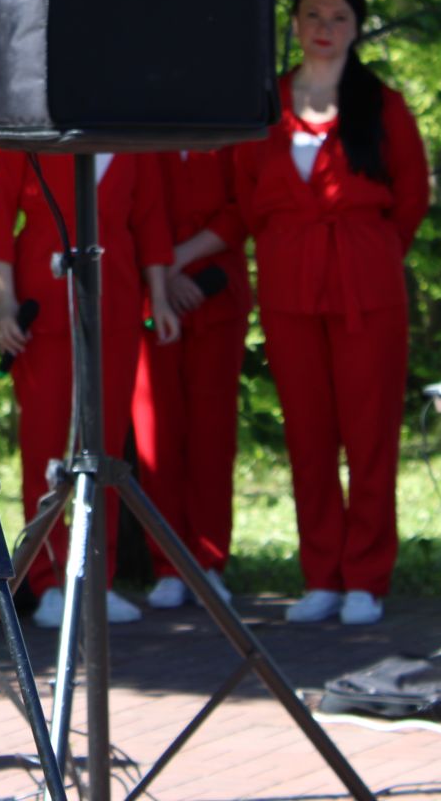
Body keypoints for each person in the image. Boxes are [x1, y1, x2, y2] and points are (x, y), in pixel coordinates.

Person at [236, 0, 429, 626]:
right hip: (291, 290)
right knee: (309, 437)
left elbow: (411, 197)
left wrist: (370, 255)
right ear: (293, 24)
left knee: (370, 437)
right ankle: (322, 574)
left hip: (365, 291)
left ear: (355, 28)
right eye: (312, 14)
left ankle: (367, 579)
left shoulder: (384, 105)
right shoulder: (266, 106)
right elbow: (245, 195)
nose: (324, 26)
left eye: (339, 16)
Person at [0, 149, 179, 627]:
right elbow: (0, 221)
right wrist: (5, 306)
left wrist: (158, 299)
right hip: (43, 300)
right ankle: (48, 580)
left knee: (104, 447)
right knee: (46, 448)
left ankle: (98, 578)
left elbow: (151, 224)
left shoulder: (131, 143)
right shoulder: (22, 137)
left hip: (115, 301)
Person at [131, 148, 252, 609]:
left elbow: (245, 208)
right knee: (155, 441)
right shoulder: (139, 134)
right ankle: (167, 564)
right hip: (150, 297)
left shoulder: (227, 132)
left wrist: (176, 259)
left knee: (212, 436)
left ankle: (208, 562)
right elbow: (134, 209)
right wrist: (163, 271)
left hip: (216, 298)